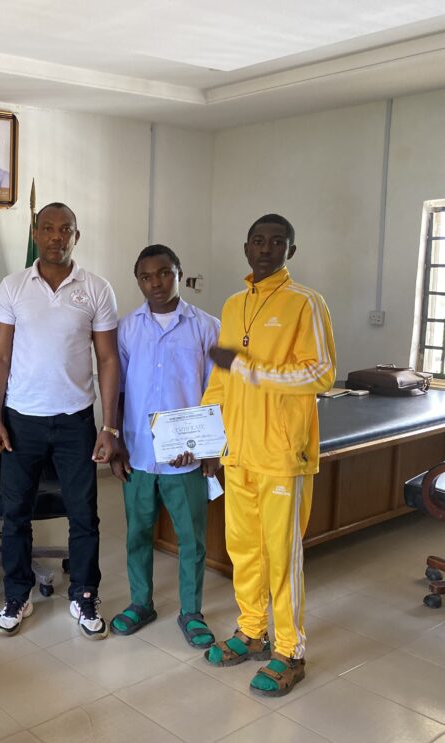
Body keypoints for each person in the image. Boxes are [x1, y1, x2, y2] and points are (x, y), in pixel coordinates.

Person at [201, 214, 335, 697]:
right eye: (258, 240)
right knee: (244, 550)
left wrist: (251, 370)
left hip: (282, 454)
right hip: (238, 453)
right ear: (245, 247)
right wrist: (204, 438)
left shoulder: (305, 303)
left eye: (277, 242)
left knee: (282, 555)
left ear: (290, 252)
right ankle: (251, 630)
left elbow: (320, 373)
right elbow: (220, 379)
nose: (266, 248)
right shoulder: (234, 305)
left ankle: (290, 650)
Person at [0, 202, 122, 640]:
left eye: (65, 230)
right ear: (35, 232)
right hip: (21, 420)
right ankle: (17, 593)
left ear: (76, 237)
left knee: (84, 514)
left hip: (74, 422)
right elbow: (1, 356)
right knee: (15, 515)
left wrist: (109, 426)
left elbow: (106, 358)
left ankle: (84, 595)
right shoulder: (12, 286)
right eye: (47, 228)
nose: (56, 237)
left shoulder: (97, 289)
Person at [109, 244, 220, 648]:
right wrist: (115, 442)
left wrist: (210, 448)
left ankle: (191, 612)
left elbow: (217, 392)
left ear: (179, 273)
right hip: (138, 452)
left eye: (164, 273)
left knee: (191, 539)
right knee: (138, 533)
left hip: (186, 457)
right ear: (136, 279)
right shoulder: (126, 328)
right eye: (146, 276)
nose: (155, 283)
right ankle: (141, 603)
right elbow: (115, 390)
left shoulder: (207, 327)